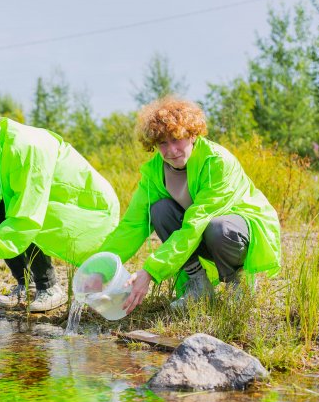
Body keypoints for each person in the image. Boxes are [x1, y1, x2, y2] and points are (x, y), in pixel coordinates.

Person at [0, 94, 120, 312]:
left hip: (85, 206)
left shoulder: (24, 146)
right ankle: (24, 284)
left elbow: (28, 214)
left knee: (24, 215)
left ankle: (49, 287)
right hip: (39, 204)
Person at [98, 96, 281, 314]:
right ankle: (198, 287)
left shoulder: (217, 162)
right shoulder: (155, 172)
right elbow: (132, 225)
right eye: (162, 143)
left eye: (176, 139)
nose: (171, 150)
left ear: (192, 135)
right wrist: (99, 270)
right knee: (159, 210)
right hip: (197, 233)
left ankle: (237, 283)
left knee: (218, 227)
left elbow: (195, 224)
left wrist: (149, 272)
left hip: (236, 233)